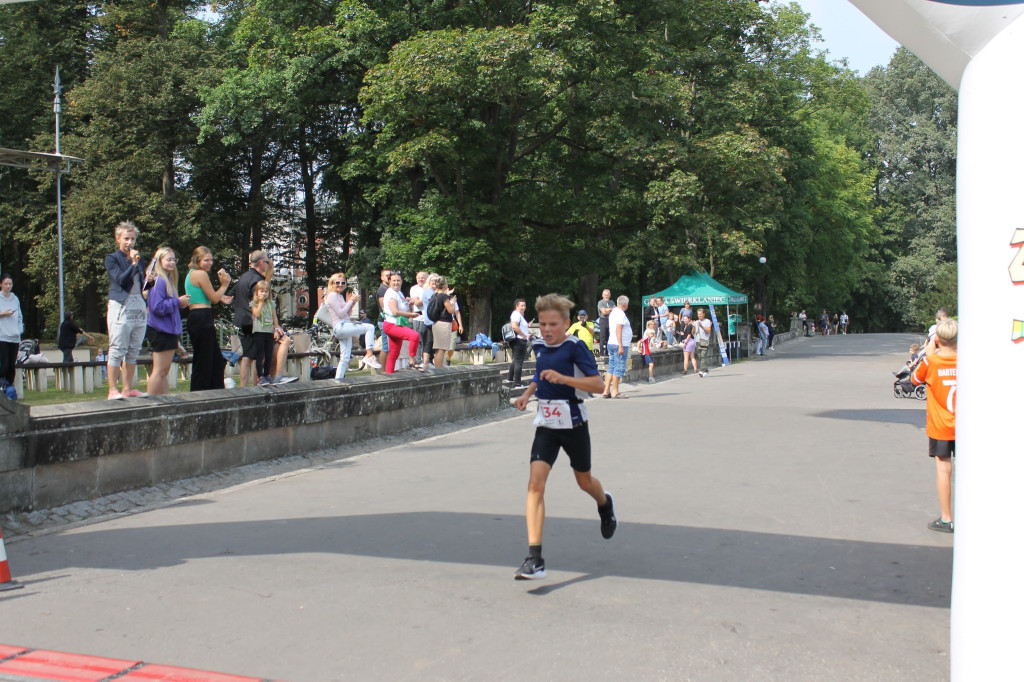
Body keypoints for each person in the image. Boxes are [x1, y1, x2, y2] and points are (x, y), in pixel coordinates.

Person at [512, 293, 616, 580]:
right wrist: (526, 395)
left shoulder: (576, 347)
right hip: (546, 423)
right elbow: (540, 375)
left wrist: (566, 380)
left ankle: (604, 504)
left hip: (573, 423)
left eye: (553, 324)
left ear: (566, 323)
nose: (546, 330)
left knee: (584, 481)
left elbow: (596, 384)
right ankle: (535, 559)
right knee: (535, 485)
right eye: (543, 324)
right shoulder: (540, 346)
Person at [911, 318, 958, 533]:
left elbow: (914, 380)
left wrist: (930, 352)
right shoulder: (966, 361)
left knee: (943, 467)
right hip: (965, 425)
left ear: (937, 338)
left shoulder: (931, 362)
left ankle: (947, 518)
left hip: (941, 425)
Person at [105, 221, 149, 399]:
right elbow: (120, 280)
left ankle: (128, 389)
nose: (130, 242)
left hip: (138, 305)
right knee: (117, 348)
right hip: (120, 305)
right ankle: (112, 389)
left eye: (132, 239)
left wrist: (150, 279)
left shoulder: (140, 259)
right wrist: (132, 264)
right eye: (126, 238)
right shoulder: (112, 258)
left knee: (133, 350)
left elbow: (143, 284)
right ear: (118, 239)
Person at [184, 246, 233, 391]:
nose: (210, 263)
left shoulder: (192, 274)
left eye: (211, 260)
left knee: (215, 360)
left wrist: (221, 296)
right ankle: (202, 392)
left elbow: (208, 296)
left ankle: (214, 389)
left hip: (201, 317)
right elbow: (213, 298)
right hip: (201, 318)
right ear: (197, 260)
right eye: (206, 260)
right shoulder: (200, 274)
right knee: (205, 360)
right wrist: (224, 286)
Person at [145, 246, 189, 396]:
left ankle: (164, 400)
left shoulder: (167, 280)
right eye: (168, 259)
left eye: (174, 260)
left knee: (164, 371)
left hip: (167, 330)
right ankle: (150, 402)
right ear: (160, 261)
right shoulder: (159, 281)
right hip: (160, 329)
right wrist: (178, 302)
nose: (172, 263)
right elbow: (157, 307)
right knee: (159, 370)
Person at [324, 272, 380, 379]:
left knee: (345, 358)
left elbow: (347, 314)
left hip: (345, 325)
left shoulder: (339, 296)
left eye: (343, 283)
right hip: (341, 326)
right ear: (332, 284)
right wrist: (350, 301)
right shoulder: (332, 295)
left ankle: (338, 381)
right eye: (337, 282)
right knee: (370, 327)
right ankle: (369, 355)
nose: (340, 285)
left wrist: (352, 304)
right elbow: (340, 313)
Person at [231, 250, 271, 387]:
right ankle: (257, 386)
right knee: (260, 355)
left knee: (247, 356)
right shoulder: (257, 280)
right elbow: (262, 302)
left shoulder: (243, 277)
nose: (268, 264)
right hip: (254, 322)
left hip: (242, 320)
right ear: (260, 263)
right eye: (267, 262)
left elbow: (231, 297)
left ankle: (243, 388)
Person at [382, 271, 425, 373]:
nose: (396, 283)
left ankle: (390, 374)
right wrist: (412, 315)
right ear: (389, 282)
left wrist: (410, 304)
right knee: (414, 336)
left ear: (401, 281)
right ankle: (412, 361)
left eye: (398, 280)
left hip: (397, 324)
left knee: (394, 353)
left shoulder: (399, 293)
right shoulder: (391, 293)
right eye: (394, 281)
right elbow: (395, 312)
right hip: (391, 325)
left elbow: (405, 309)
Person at [602, 295, 632, 398]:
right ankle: (615, 391)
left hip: (611, 342)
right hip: (619, 343)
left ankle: (606, 391)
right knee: (619, 367)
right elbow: (618, 329)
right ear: (626, 304)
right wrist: (621, 345)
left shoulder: (613, 312)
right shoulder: (620, 314)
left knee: (612, 366)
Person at [250, 281, 276, 385]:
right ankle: (260, 376)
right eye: (261, 291)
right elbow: (256, 314)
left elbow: (274, 317)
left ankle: (267, 374)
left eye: (266, 291)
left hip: (269, 331)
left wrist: (276, 328)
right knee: (260, 355)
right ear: (257, 292)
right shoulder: (254, 303)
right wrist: (260, 302)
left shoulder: (271, 304)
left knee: (269, 355)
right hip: (259, 331)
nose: (264, 294)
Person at [0, 273, 23, 387]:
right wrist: (3, 314)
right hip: (2, 336)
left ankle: (9, 387)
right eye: (6, 284)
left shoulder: (15, 299)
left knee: (12, 365)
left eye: (10, 284)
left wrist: (19, 330)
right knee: (4, 365)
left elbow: (19, 317)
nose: (8, 286)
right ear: (1, 285)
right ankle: (2, 384)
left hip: (14, 337)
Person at [429, 276, 457, 369]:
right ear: (444, 285)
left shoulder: (435, 295)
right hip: (444, 324)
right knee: (441, 348)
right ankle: (439, 369)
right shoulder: (444, 297)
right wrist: (452, 302)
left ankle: (439, 367)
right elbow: (451, 310)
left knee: (438, 348)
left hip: (436, 323)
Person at [507, 298, 531, 386]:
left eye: (524, 305)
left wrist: (527, 327)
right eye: (521, 305)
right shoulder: (516, 314)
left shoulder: (519, 315)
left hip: (520, 339)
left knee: (516, 360)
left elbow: (521, 326)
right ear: (517, 306)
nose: (523, 307)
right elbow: (514, 326)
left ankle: (510, 378)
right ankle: (517, 383)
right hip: (518, 340)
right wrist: (523, 335)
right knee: (519, 362)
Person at [376, 268, 393, 370]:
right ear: (381, 277)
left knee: (388, 347)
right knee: (386, 347)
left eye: (389, 275)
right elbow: (384, 308)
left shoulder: (388, 289)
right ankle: (382, 370)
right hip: (384, 321)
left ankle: (386, 369)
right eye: (386, 275)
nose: (388, 277)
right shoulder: (382, 290)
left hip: (387, 321)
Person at [695, 307, 713, 377]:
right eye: (698, 314)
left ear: (704, 314)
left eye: (701, 314)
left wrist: (701, 326)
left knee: (703, 355)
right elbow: (693, 332)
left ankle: (703, 370)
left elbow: (709, 330)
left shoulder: (707, 321)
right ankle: (705, 370)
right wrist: (693, 326)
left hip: (705, 341)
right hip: (698, 341)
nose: (699, 315)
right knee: (700, 356)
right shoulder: (696, 322)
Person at [596, 289, 615, 356]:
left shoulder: (612, 302)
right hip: (603, 320)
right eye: (605, 295)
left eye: (607, 295)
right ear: (602, 295)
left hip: (611, 320)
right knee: (603, 337)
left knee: (609, 337)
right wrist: (610, 309)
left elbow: (615, 311)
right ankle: (601, 352)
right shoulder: (600, 303)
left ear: (610, 295)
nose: (606, 296)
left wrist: (607, 309)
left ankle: (607, 352)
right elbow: (603, 312)